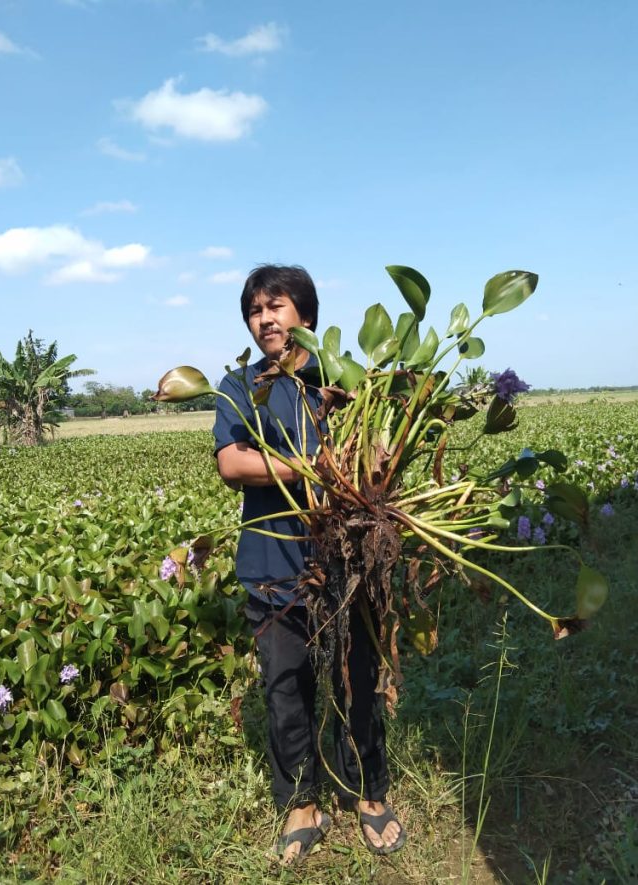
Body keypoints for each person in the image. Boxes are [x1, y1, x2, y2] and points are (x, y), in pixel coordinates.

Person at [213, 265, 406, 864]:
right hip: (272, 564)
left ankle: (368, 793)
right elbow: (232, 464)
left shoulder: (345, 380)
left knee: (358, 681)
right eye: (254, 310)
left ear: (306, 316)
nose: (264, 318)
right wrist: (308, 468)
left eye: (276, 305)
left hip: (347, 560)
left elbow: (376, 452)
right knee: (285, 688)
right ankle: (301, 805)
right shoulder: (240, 386)